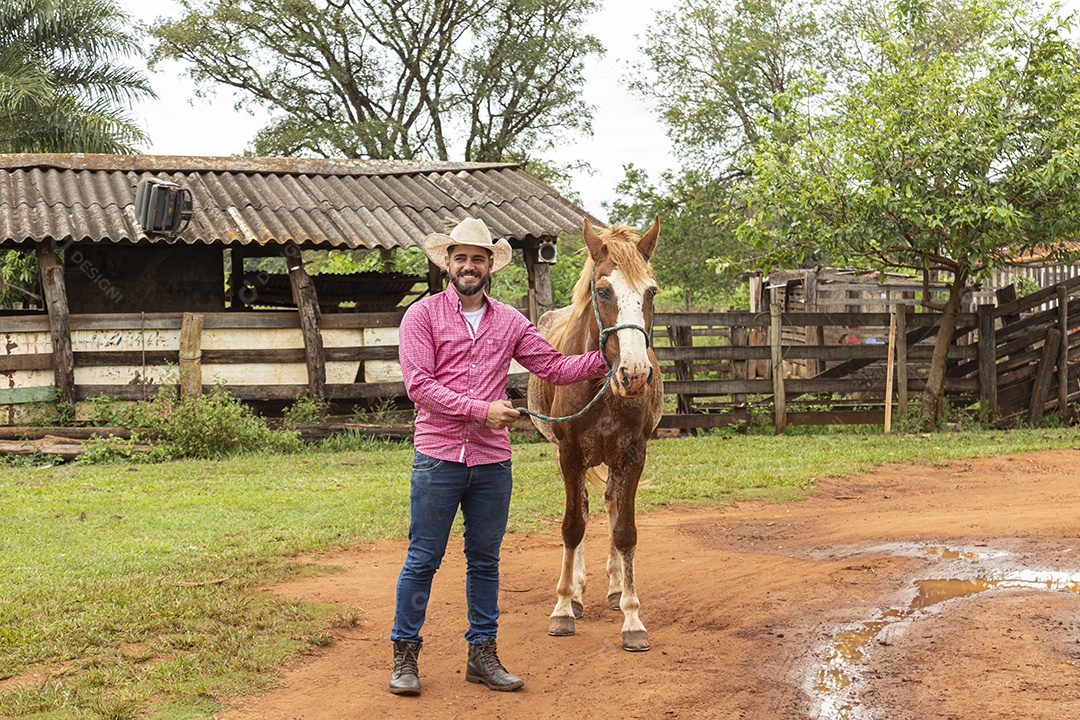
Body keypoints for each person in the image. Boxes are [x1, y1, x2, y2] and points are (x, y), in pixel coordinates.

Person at [389, 218, 608, 696]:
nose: (469, 266)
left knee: (485, 560)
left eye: (479, 258)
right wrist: (480, 411)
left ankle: (482, 655)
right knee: (423, 558)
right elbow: (419, 387)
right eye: (461, 257)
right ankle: (405, 655)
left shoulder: (510, 321)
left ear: (491, 266)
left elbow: (552, 365)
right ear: (446, 262)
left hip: (491, 463)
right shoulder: (421, 317)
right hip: (438, 458)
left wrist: (610, 358)